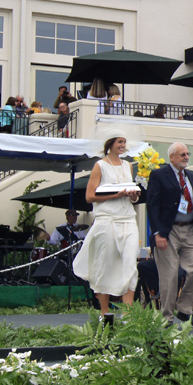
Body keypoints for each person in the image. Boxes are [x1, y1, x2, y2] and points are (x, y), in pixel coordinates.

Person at [73, 129, 141, 320]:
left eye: (124, 142)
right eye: (119, 141)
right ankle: (104, 311)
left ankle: (128, 314)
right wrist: (116, 195)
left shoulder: (128, 165)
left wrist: (133, 196)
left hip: (128, 219)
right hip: (107, 220)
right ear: (110, 143)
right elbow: (89, 197)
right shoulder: (100, 166)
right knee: (106, 264)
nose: (122, 145)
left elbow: (130, 195)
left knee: (130, 263)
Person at [146, 142, 193, 326]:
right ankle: (167, 317)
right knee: (169, 275)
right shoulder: (158, 175)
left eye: (188, 154)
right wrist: (158, 233)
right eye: (182, 154)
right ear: (171, 157)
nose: (186, 157)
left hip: (189, 229)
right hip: (168, 230)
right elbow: (153, 205)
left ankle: (184, 309)